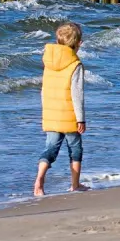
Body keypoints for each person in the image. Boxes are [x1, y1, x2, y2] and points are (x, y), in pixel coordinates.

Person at [33, 21, 89, 195]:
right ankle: (75, 185)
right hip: (69, 115)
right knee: (75, 149)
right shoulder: (75, 64)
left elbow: (44, 89)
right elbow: (77, 94)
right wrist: (81, 119)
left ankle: (39, 179)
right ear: (78, 43)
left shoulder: (48, 61)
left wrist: (46, 110)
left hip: (51, 112)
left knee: (50, 148)